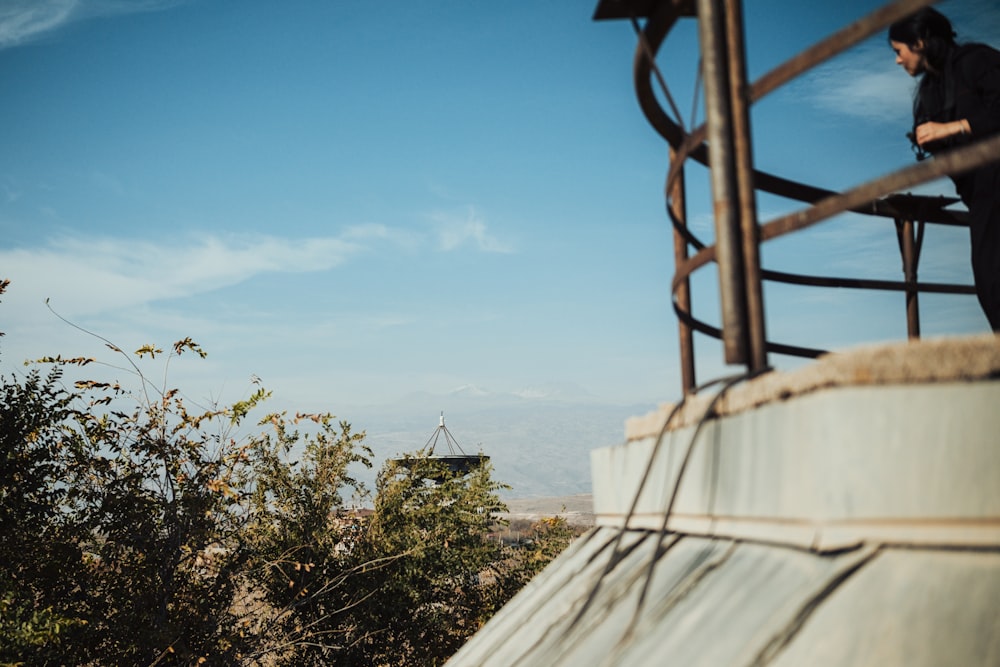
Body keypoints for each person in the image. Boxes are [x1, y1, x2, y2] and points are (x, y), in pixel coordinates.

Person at [889, 8, 1000, 331]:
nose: (897, 60)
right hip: (981, 197)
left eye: (899, 51)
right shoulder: (928, 92)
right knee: (990, 283)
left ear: (920, 42)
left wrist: (953, 128)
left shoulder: (977, 61)